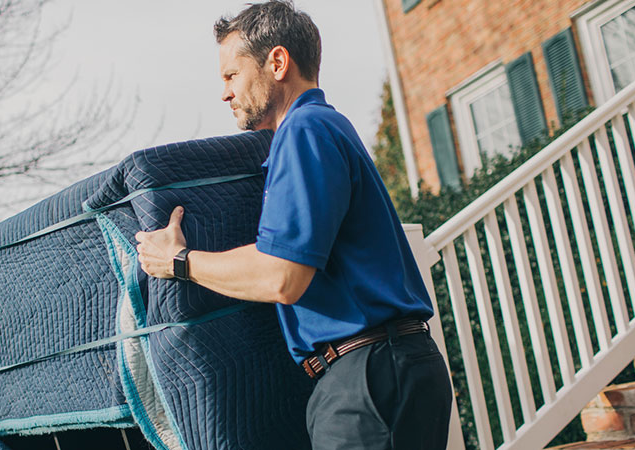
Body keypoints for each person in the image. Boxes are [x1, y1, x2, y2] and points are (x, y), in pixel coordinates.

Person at [134, 2, 452, 449]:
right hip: (380, 369)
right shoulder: (323, 128)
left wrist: (178, 261)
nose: (224, 93)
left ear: (277, 62)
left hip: (368, 375)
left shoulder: (305, 131)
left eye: (231, 76)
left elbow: (283, 275)